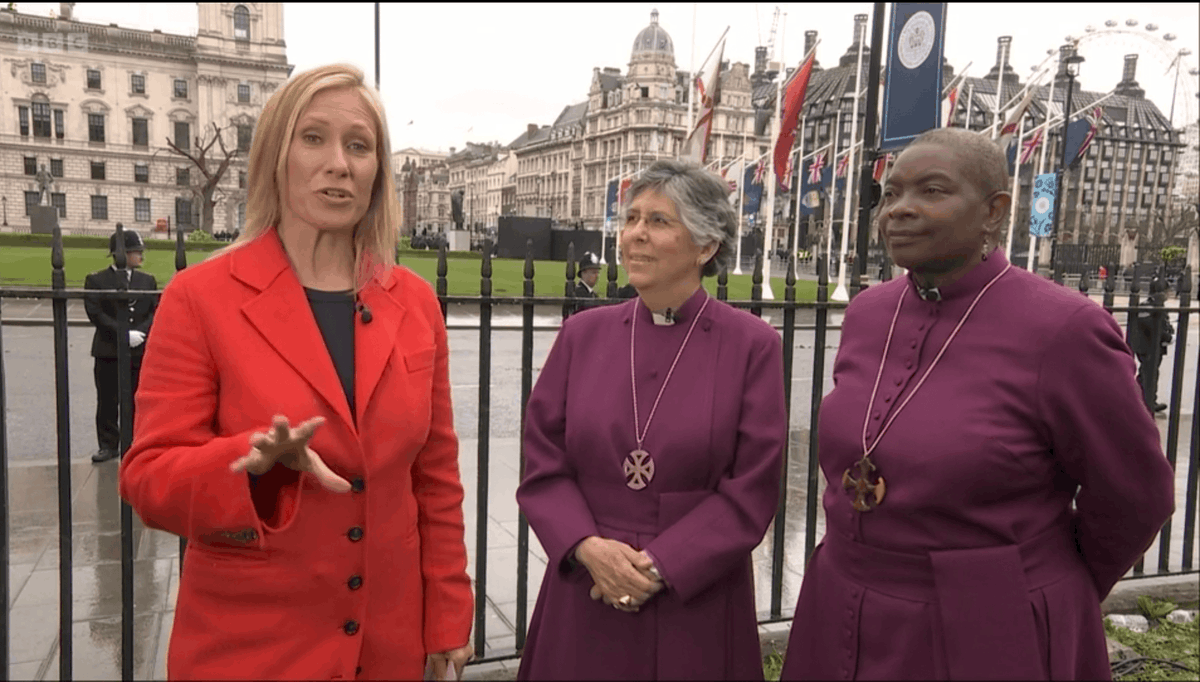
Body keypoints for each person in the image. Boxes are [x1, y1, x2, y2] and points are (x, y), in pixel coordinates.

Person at [118, 64, 473, 680]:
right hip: (253, 646)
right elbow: (148, 479)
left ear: (377, 172)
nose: (339, 163)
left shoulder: (416, 303)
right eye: (313, 138)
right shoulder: (200, 299)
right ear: (275, 157)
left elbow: (435, 478)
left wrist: (448, 616)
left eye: (358, 146)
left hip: (387, 645)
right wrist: (252, 464)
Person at [780, 127, 1175, 681]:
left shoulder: (1065, 328)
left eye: (932, 190)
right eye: (891, 194)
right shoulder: (869, 313)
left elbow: (1135, 497)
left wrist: (1046, 584)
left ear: (994, 211)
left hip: (987, 614)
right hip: (841, 594)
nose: (899, 209)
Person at [517, 159, 787, 679]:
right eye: (632, 219)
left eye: (658, 221)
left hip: (695, 594)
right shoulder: (582, 335)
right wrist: (585, 546)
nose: (635, 234)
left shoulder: (752, 346)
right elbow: (542, 461)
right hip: (587, 583)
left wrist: (662, 565)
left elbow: (752, 488)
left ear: (706, 246)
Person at [83, 227, 158, 463]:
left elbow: (155, 311)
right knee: (107, 400)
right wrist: (123, 333)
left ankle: (136, 441)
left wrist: (141, 332)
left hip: (139, 349)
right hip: (109, 350)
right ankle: (108, 444)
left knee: (138, 399)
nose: (141, 255)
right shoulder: (97, 280)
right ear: (121, 254)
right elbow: (95, 313)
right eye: (136, 251)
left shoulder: (147, 280)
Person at [1128, 275, 1174, 414]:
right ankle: (1146, 401)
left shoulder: (1157, 306)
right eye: (1167, 291)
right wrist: (1166, 336)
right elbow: (1151, 326)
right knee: (1149, 373)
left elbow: (1164, 324)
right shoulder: (1147, 306)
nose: (1168, 294)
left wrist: (1168, 331)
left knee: (1149, 373)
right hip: (1147, 347)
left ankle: (1145, 399)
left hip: (1155, 346)